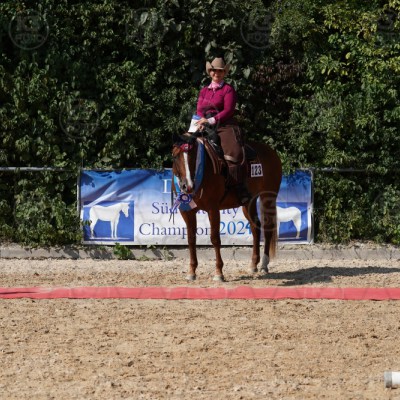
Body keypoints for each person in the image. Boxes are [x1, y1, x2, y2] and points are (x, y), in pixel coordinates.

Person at [195, 57, 250, 204]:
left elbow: (228, 110)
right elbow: (199, 109)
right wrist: (201, 120)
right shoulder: (204, 91)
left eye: (220, 71)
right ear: (210, 72)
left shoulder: (228, 89)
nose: (216, 73)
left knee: (234, 151)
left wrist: (211, 120)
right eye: (214, 70)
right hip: (203, 123)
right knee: (185, 144)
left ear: (224, 73)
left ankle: (240, 187)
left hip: (224, 124)